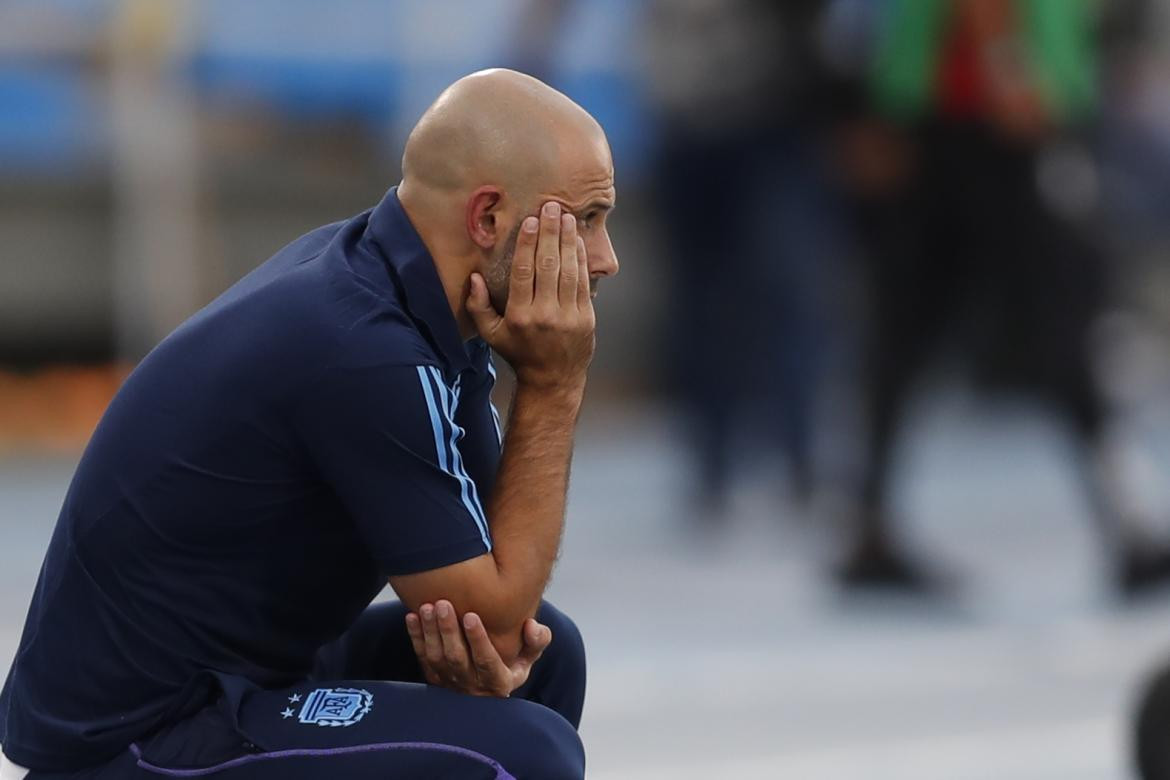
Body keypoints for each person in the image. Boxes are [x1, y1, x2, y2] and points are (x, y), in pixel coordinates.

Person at [0, 68, 619, 779]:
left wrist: (487, 618)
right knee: (527, 756)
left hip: (249, 675)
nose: (606, 259)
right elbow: (494, 609)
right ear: (487, 218)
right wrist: (553, 383)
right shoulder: (361, 348)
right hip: (142, 734)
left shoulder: (402, 289)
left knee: (549, 653)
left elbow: (494, 591)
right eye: (589, 218)